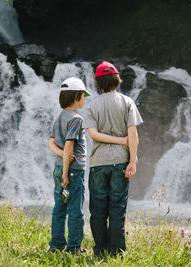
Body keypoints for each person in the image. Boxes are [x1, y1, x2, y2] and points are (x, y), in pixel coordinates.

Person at [84, 61, 143, 256]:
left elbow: (93, 134)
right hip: (120, 162)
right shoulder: (127, 102)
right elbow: (132, 136)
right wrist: (132, 161)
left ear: (98, 83)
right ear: (117, 80)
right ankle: (117, 252)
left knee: (98, 210)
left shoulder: (93, 105)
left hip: (98, 163)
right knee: (117, 209)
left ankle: (100, 250)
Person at [47, 77, 91, 254]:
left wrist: (62, 157)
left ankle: (56, 246)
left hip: (59, 168)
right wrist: (66, 173)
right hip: (72, 171)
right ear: (78, 95)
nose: (85, 99)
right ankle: (73, 248)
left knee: (59, 207)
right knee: (75, 210)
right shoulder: (76, 119)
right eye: (84, 95)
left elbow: (51, 144)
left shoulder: (59, 118)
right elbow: (69, 146)